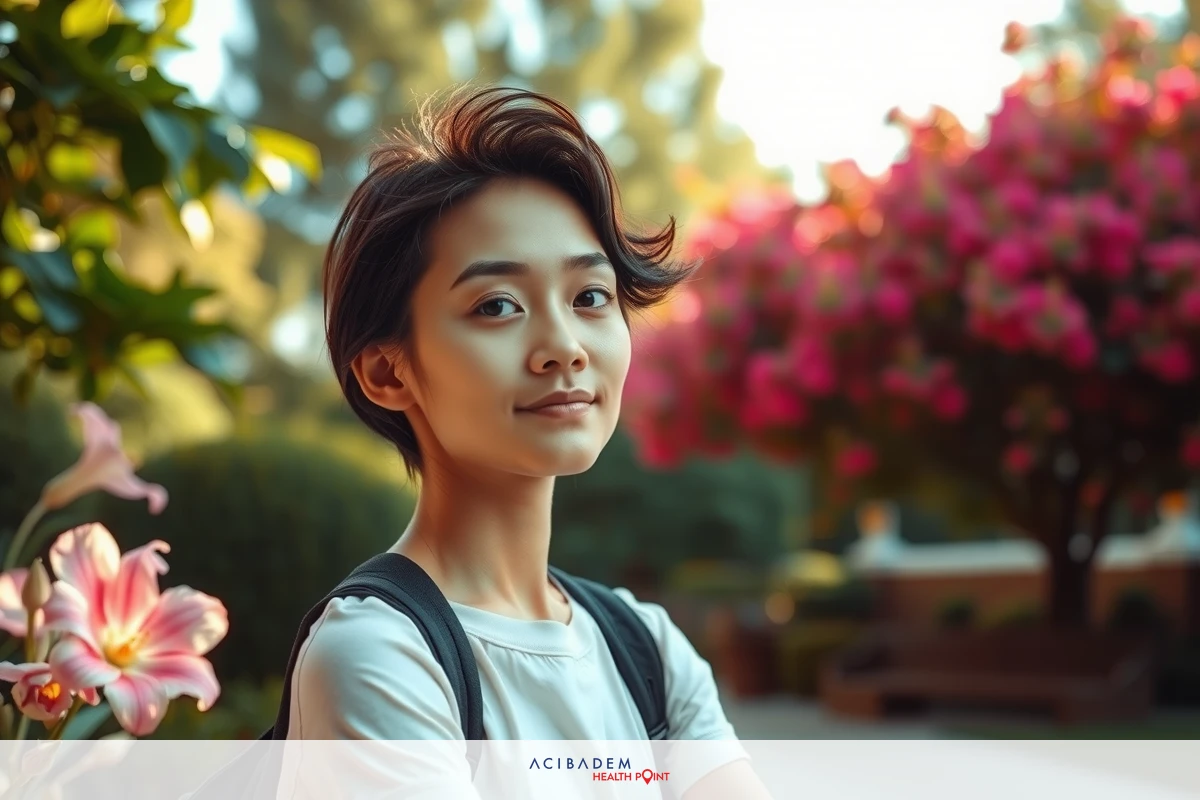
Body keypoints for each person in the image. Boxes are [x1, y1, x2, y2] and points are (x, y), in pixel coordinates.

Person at [286, 85, 771, 799]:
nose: (564, 346)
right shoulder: (379, 656)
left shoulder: (647, 650)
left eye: (590, 296)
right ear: (389, 372)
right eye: (497, 305)